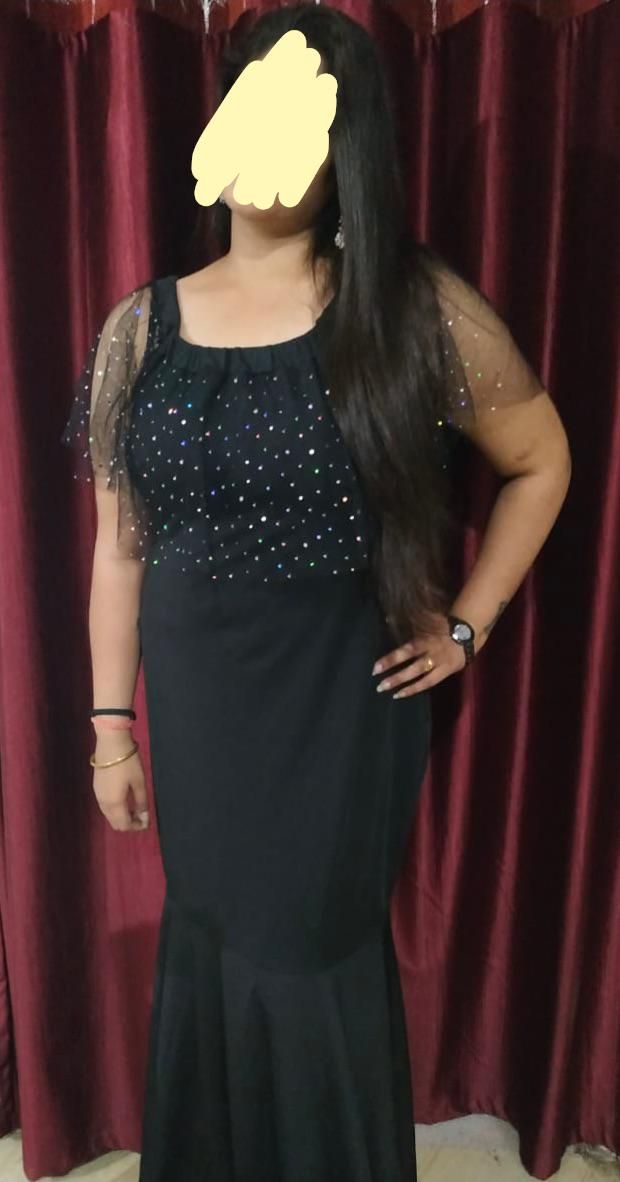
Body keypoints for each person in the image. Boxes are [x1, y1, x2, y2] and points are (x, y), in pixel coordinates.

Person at [60, 5, 571, 1180]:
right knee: (213, 943)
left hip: (344, 710)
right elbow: (118, 551)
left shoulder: (411, 309)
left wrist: (467, 624)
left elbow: (541, 461)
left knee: (307, 957)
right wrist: (109, 732)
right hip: (201, 709)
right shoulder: (140, 327)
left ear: (345, 149)